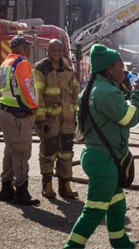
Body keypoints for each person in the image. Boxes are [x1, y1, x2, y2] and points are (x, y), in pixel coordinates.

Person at [64, 44, 139, 249]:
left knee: (117, 204)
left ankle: (121, 242)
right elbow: (130, 118)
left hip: (98, 156)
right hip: (104, 161)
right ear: (109, 69)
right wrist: (137, 94)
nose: (124, 71)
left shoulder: (91, 90)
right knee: (94, 211)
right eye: (121, 67)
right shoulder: (107, 92)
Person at [0, 34, 40, 206]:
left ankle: (6, 189)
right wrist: (33, 106)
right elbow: (26, 87)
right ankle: (22, 191)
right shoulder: (22, 63)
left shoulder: (4, 64)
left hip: (4, 110)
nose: (28, 50)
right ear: (20, 48)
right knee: (21, 152)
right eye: (26, 46)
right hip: (18, 114)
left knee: (10, 150)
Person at [33, 39, 80, 199]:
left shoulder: (67, 68)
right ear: (48, 51)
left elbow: (75, 89)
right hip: (50, 120)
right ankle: (47, 186)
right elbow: (37, 95)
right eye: (53, 51)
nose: (56, 54)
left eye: (59, 51)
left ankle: (65, 186)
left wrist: (74, 111)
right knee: (48, 152)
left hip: (67, 120)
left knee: (66, 153)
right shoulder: (41, 69)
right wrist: (40, 119)